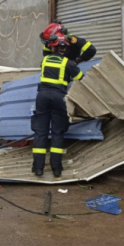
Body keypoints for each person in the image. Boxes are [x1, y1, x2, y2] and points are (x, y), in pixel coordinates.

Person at [31, 35, 84, 178]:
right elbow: (80, 78)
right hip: (59, 98)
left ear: (52, 47)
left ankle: (38, 168)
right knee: (57, 132)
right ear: (65, 49)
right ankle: (56, 169)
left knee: (40, 132)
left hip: (42, 97)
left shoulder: (45, 60)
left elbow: (46, 50)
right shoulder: (68, 63)